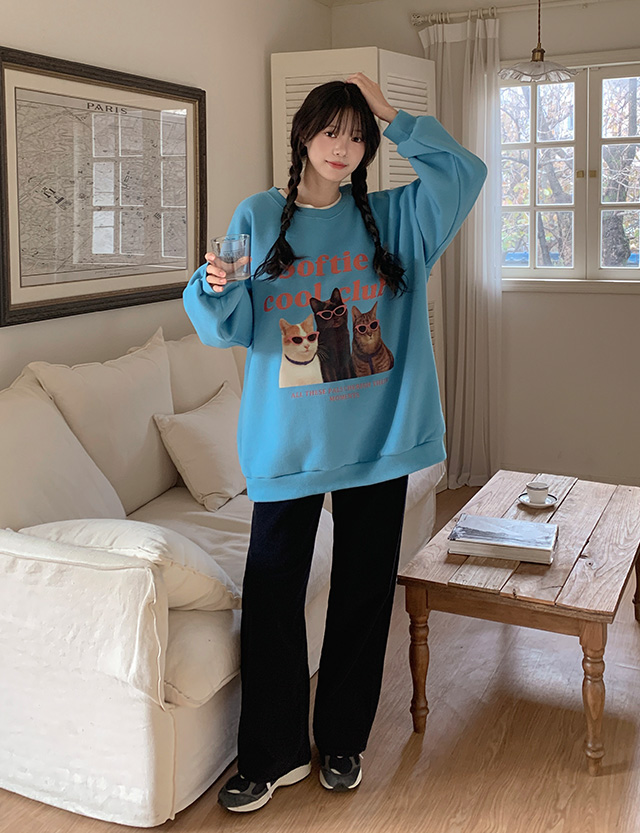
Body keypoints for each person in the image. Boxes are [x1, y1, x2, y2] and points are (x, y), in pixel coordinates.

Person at [183, 72, 487, 813]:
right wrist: (213, 283)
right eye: (330, 131)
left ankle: (343, 740)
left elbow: (465, 173)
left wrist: (393, 113)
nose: (343, 147)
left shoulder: (395, 217)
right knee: (273, 595)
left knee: (362, 593)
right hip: (287, 444)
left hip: (378, 438)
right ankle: (272, 755)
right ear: (303, 136)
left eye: (357, 135)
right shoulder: (259, 215)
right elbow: (225, 324)